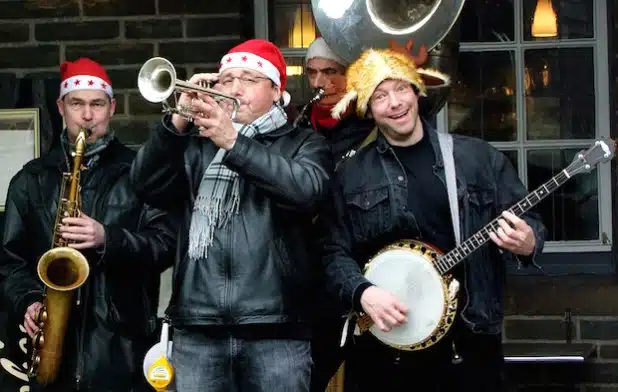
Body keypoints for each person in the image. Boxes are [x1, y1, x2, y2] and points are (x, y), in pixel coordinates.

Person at [318, 48, 547, 392]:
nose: (395, 103)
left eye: (401, 89)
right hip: (386, 348)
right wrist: (362, 292)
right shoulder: (351, 175)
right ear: (368, 108)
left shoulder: (476, 158)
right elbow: (331, 250)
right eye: (380, 96)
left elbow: (527, 219)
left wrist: (529, 241)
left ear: (416, 91)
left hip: (469, 341)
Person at [129, 39, 332, 392]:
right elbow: (146, 185)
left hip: (276, 329)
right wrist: (177, 120)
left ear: (276, 90)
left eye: (250, 79)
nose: (235, 88)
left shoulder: (304, 144)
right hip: (198, 328)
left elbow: (306, 193)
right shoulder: (195, 144)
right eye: (226, 79)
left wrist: (234, 143)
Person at [0, 58, 177, 392]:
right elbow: (10, 261)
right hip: (52, 342)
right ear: (60, 108)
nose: (86, 116)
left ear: (111, 108)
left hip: (121, 347)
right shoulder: (29, 180)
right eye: (76, 104)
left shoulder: (140, 173)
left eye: (96, 104)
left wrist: (106, 238)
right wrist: (27, 301)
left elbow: (165, 244)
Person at [295, 37, 374, 164]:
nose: (317, 83)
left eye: (329, 72)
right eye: (311, 73)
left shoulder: (372, 124)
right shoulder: (297, 121)